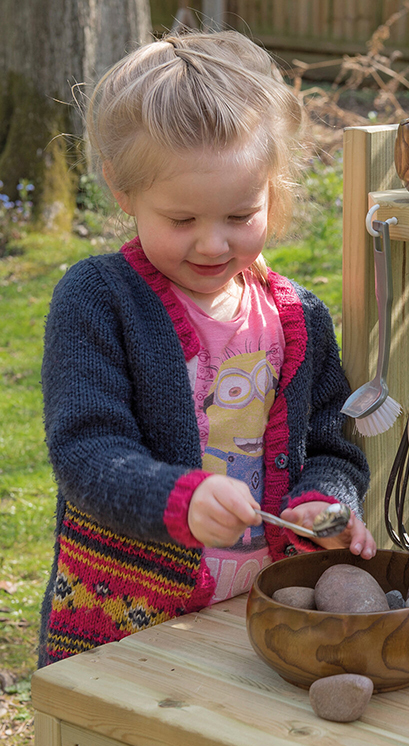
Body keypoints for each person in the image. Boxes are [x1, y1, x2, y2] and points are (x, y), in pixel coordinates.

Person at [38, 30, 376, 667]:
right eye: (182, 221)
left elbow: (332, 445)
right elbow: (86, 451)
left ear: (273, 191)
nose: (213, 245)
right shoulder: (99, 300)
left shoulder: (297, 317)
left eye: (239, 214)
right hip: (127, 619)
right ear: (121, 189)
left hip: (264, 614)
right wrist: (180, 499)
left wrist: (322, 506)